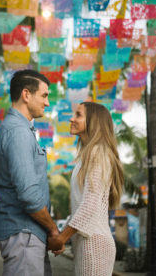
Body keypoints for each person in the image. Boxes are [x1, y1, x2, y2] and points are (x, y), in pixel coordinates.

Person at [0, 69, 63, 276]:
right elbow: (28, 194)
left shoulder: (20, 130)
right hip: (23, 234)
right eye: (44, 95)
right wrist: (53, 229)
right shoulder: (18, 132)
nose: (47, 103)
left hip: (27, 235)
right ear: (26, 94)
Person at [48, 102, 124, 276]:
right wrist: (63, 237)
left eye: (78, 115)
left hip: (94, 244)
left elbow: (90, 203)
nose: (72, 119)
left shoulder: (98, 152)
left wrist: (62, 238)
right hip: (87, 243)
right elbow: (80, 207)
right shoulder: (87, 156)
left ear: (93, 122)